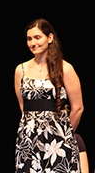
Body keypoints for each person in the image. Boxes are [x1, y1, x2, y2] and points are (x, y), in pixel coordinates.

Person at [14, 18, 84, 172]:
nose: (33, 43)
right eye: (29, 39)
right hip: (29, 141)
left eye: (37, 37)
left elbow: (78, 108)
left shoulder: (65, 68)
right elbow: (23, 106)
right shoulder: (21, 70)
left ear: (50, 38)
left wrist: (62, 135)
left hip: (58, 143)